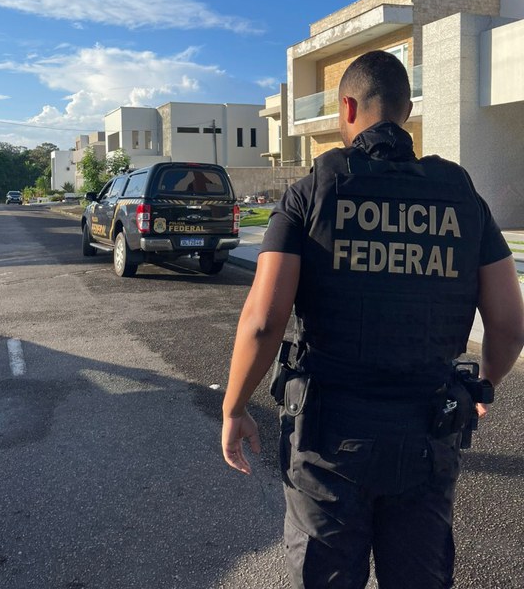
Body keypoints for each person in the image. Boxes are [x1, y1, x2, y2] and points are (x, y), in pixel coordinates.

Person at [221, 50, 524, 589]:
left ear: (347, 107)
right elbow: (509, 325)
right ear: (407, 111)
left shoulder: (311, 192)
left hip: (329, 444)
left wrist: (234, 407)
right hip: (427, 434)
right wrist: (484, 385)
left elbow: (264, 321)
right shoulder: (461, 196)